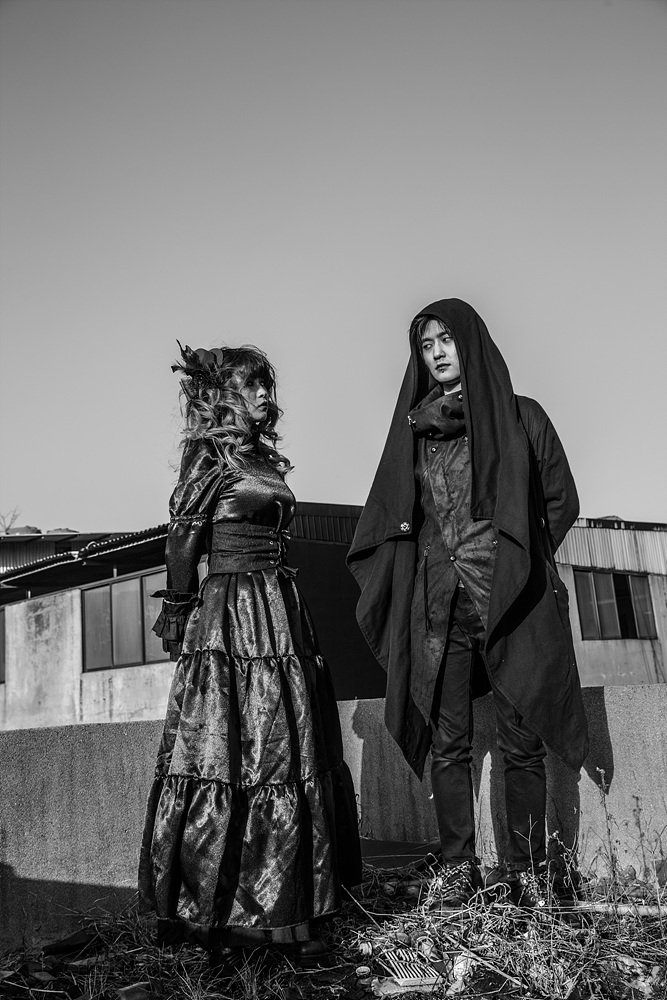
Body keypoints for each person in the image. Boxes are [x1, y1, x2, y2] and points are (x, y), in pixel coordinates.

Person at [347, 298, 588, 910]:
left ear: (471, 343)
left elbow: (561, 501)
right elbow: (395, 516)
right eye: (427, 345)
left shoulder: (522, 417)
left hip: (510, 601)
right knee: (448, 742)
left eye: (447, 340)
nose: (437, 353)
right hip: (440, 607)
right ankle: (459, 870)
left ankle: (528, 873)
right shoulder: (416, 431)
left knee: (521, 740)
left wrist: (520, 564)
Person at [139, 342, 361, 965]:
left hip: (278, 609)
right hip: (233, 612)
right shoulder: (209, 456)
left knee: (285, 748)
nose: (265, 393)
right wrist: (179, 607)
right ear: (224, 395)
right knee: (232, 751)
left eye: (268, 383)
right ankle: (229, 915)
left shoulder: (258, 456)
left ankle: (283, 909)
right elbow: (184, 535)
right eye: (252, 384)